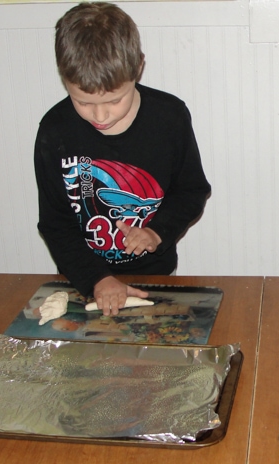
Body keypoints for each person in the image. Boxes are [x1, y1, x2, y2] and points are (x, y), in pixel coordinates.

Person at [35, 2, 211, 316]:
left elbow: (191, 191)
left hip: (154, 278)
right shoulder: (55, 131)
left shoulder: (169, 118)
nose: (100, 116)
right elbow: (55, 224)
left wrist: (157, 232)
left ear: (138, 68)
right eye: (83, 102)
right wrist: (96, 279)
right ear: (64, 78)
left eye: (115, 100)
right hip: (84, 280)